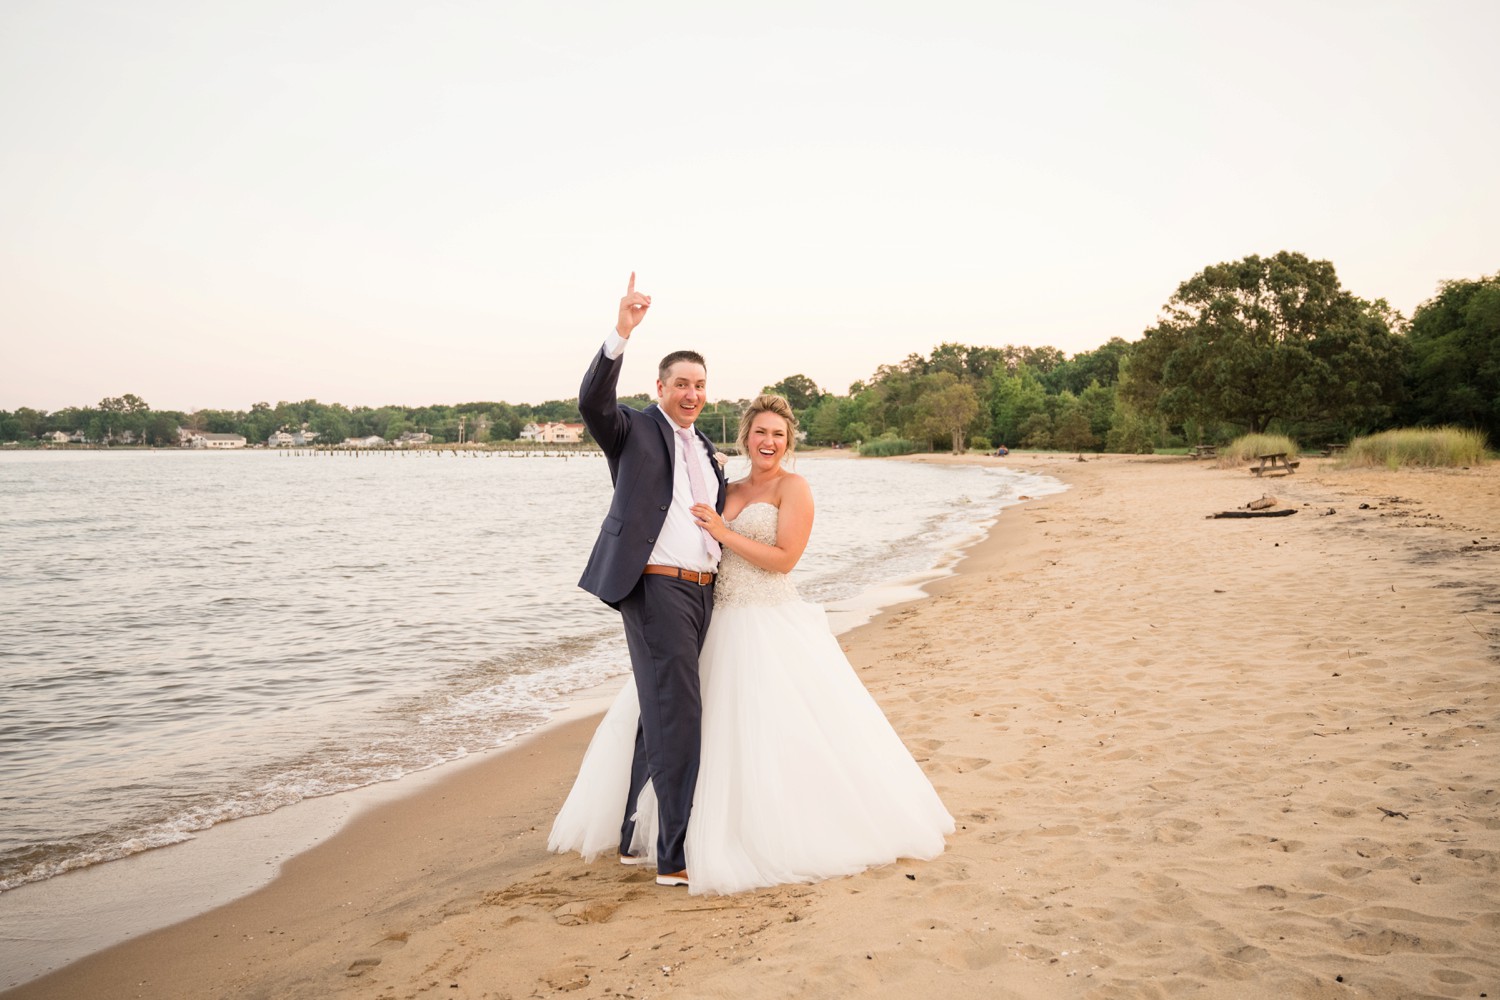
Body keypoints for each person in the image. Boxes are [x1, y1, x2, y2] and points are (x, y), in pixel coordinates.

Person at [551, 394, 954, 895]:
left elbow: (785, 558)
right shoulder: (726, 485)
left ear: (789, 442)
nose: (769, 442)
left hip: (766, 617)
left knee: (767, 727)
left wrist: (723, 531)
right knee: (690, 719)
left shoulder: (794, 488)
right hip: (714, 615)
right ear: (746, 437)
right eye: (761, 433)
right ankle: (663, 831)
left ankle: (764, 831)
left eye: (779, 435)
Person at [570, 273, 727, 888]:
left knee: (663, 708)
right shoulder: (632, 431)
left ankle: (634, 832)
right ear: (658, 387)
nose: (690, 394)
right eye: (680, 384)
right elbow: (591, 405)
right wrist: (621, 333)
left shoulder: (708, 448)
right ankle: (676, 855)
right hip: (655, 586)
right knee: (679, 712)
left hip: (703, 590)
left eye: (699, 385)